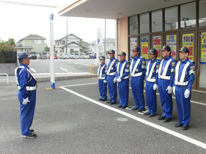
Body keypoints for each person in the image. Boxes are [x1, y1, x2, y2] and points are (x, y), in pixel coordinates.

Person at [15, 53, 37, 138]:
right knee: (26, 113)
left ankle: (26, 128)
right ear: (23, 60)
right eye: (28, 58)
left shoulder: (22, 68)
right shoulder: (24, 70)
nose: (29, 60)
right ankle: (25, 132)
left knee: (28, 112)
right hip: (27, 94)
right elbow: (23, 85)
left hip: (28, 93)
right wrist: (25, 97)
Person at [173, 47, 196, 130]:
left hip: (184, 87)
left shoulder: (191, 64)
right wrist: (174, 85)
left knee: (185, 105)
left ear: (186, 54)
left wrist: (188, 89)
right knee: (179, 105)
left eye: (182, 53)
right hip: (178, 87)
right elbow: (175, 76)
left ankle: (186, 123)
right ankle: (181, 121)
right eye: (180, 52)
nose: (180, 54)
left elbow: (191, 77)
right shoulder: (178, 63)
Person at [158, 45, 176, 122]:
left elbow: (172, 74)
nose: (163, 52)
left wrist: (171, 85)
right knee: (162, 98)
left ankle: (168, 114)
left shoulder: (172, 61)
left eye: (165, 51)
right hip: (161, 81)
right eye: (162, 51)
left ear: (169, 52)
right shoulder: (162, 60)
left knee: (167, 98)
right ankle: (164, 112)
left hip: (167, 81)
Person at [130, 46, 146, 112]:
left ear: (138, 52)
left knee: (139, 92)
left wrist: (141, 78)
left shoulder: (141, 60)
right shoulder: (133, 59)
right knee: (134, 92)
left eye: (134, 51)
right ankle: (137, 104)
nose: (133, 52)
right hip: (133, 77)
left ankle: (141, 106)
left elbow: (143, 70)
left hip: (138, 77)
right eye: (132, 51)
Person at [144, 48, 160, 117]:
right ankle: (149, 109)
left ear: (155, 55)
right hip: (148, 81)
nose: (150, 55)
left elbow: (157, 74)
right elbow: (147, 72)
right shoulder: (149, 62)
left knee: (152, 97)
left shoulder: (157, 63)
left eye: (152, 54)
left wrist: (156, 83)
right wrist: (145, 80)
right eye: (149, 54)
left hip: (152, 82)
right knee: (147, 97)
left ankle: (153, 111)